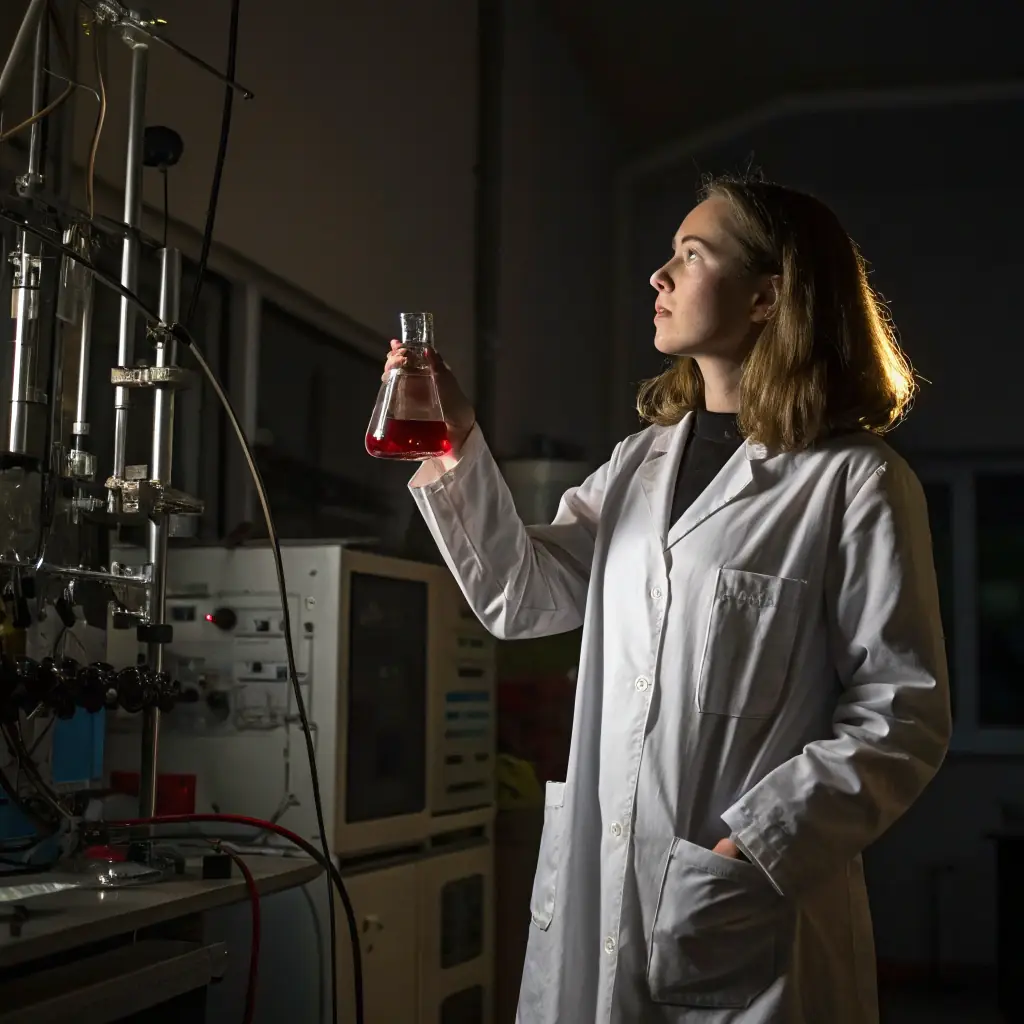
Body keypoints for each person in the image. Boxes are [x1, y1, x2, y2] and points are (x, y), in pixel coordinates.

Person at [383, 175, 951, 1023]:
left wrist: (755, 843)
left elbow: (901, 713)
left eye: (692, 255)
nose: (659, 275)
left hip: (742, 904)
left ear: (768, 297)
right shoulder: (637, 468)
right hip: (600, 884)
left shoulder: (854, 481)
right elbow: (521, 597)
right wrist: (458, 439)